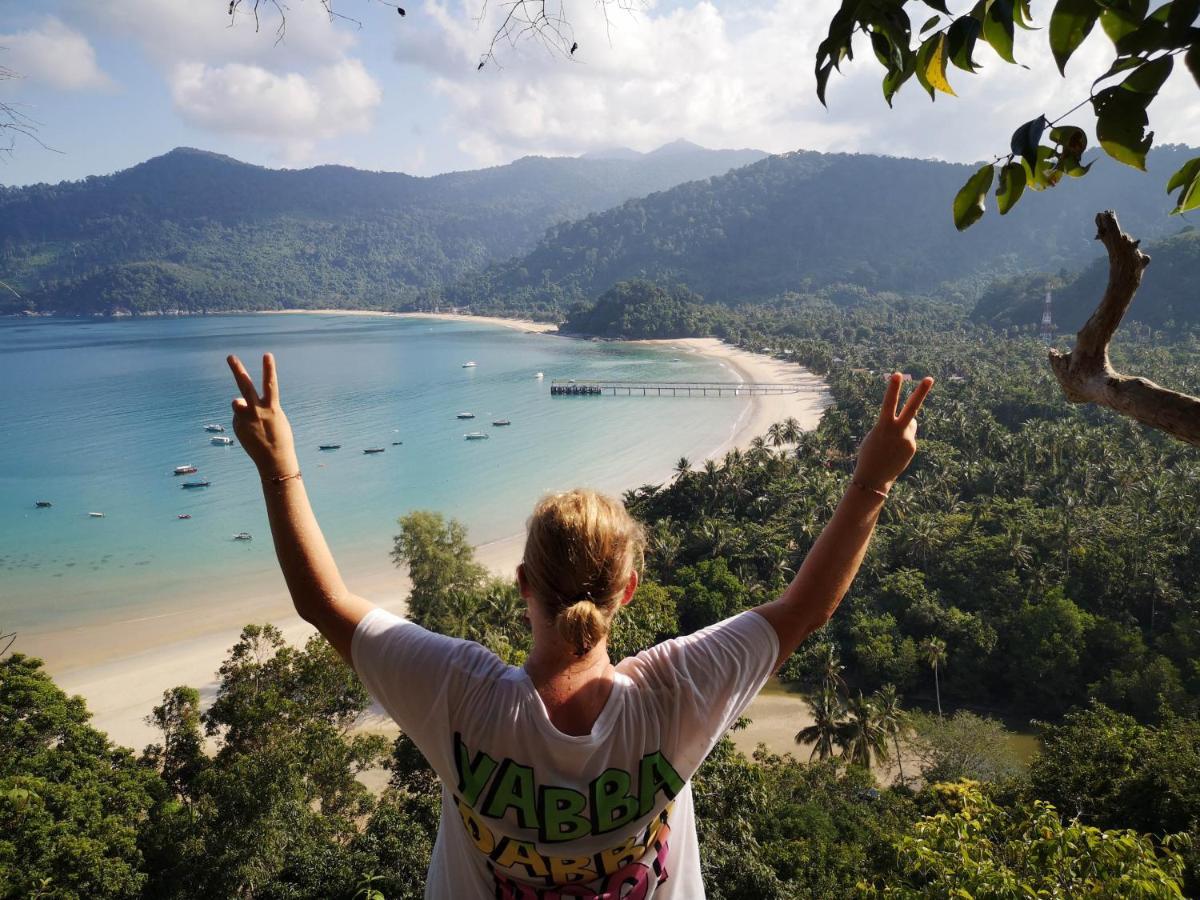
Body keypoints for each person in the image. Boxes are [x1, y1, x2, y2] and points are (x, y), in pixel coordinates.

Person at [226, 352, 933, 900]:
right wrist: (873, 481)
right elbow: (803, 610)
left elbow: (325, 604)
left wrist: (280, 471)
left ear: (523, 585)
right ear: (629, 589)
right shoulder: (675, 694)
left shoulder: (461, 697)